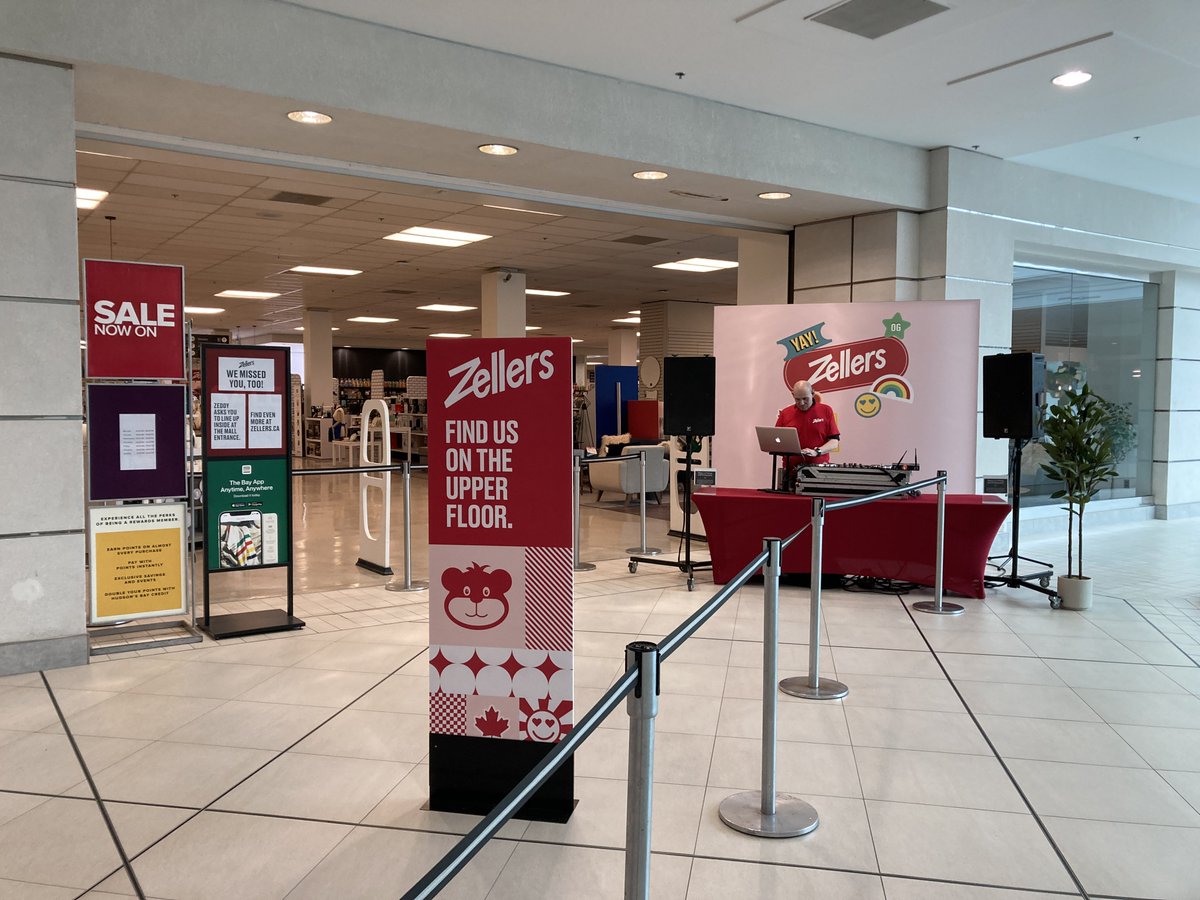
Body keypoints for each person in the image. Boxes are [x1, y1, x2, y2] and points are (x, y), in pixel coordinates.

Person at [775, 380, 840, 486]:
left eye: (805, 399)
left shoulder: (826, 410)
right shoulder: (785, 413)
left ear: (813, 393)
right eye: (797, 399)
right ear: (792, 395)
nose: (801, 403)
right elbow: (776, 439)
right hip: (791, 472)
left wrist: (817, 451)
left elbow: (834, 441)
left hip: (819, 471)